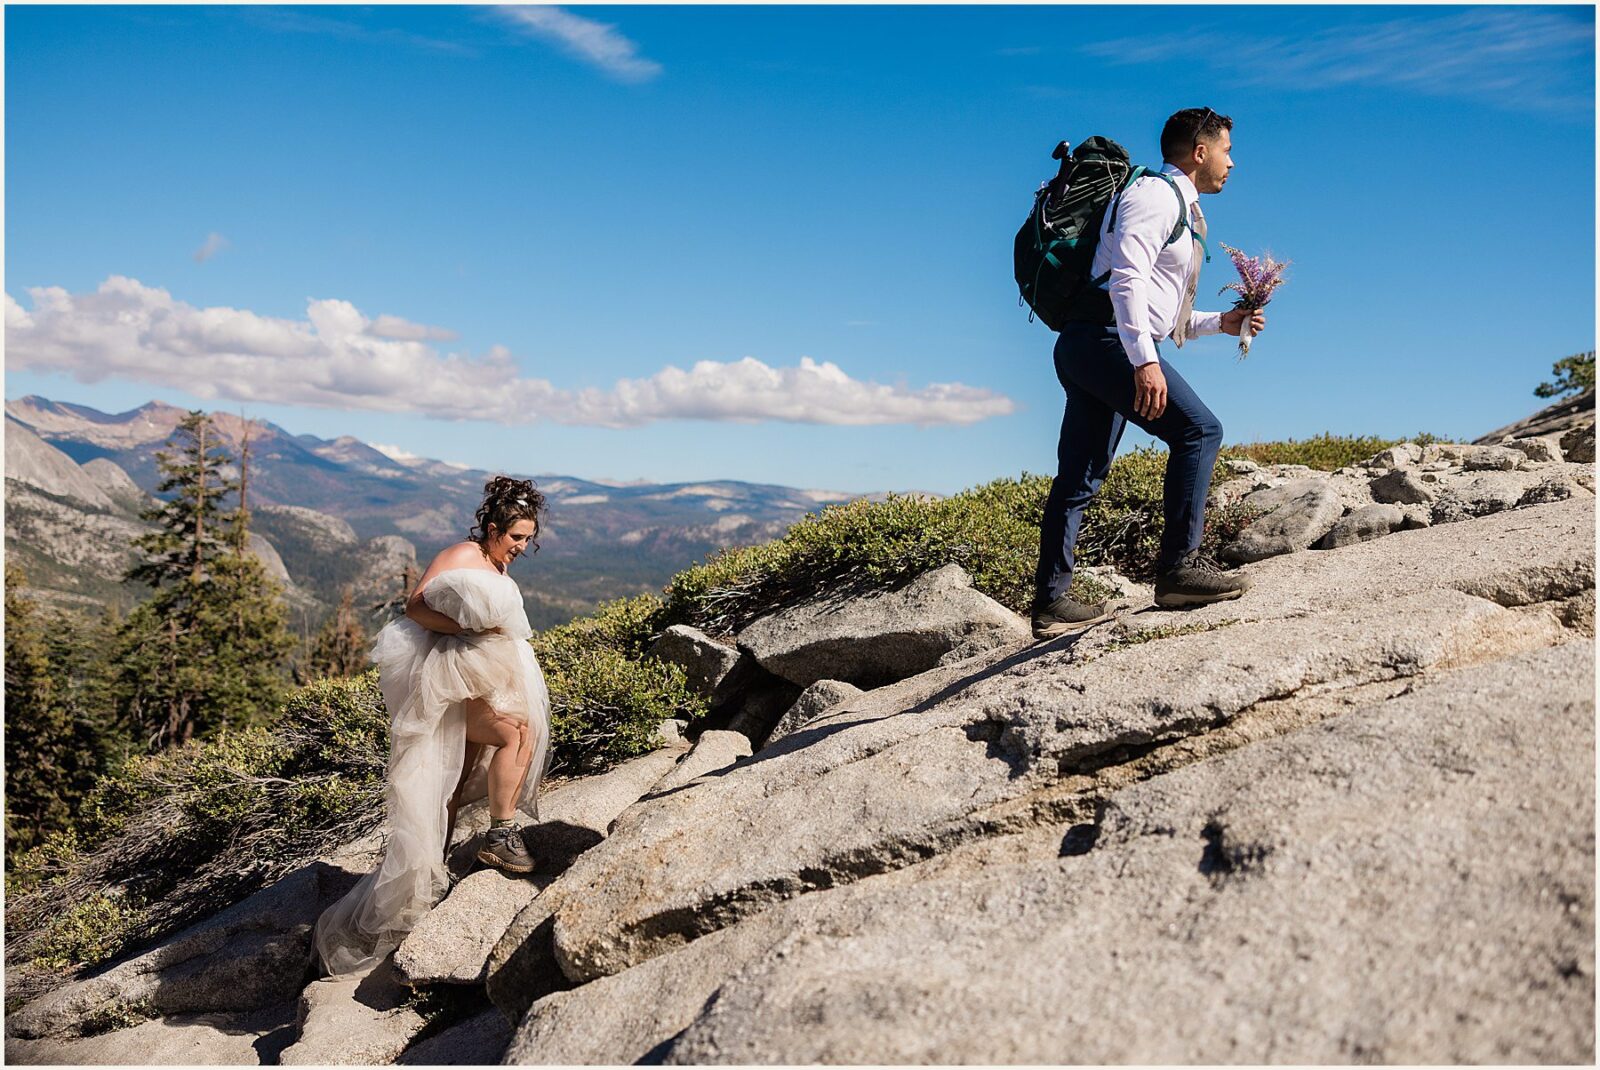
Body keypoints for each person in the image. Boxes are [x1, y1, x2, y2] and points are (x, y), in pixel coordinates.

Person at [1031, 107, 1267, 640]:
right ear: (1200, 152)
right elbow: (1128, 281)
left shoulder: (1179, 207)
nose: (1232, 162)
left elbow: (1160, 310)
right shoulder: (1156, 196)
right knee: (1199, 431)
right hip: (1106, 339)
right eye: (1227, 150)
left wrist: (1221, 322)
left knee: (1080, 475)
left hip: (1094, 341)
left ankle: (1050, 602)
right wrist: (1144, 361)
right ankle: (1179, 569)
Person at [314, 475, 553, 976]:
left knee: (455, 779)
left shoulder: (495, 563)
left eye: (527, 539)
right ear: (492, 529)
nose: (521, 547)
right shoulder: (461, 554)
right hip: (454, 680)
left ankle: (430, 877)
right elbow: (417, 606)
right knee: (516, 733)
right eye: (515, 537)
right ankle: (500, 836)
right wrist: (467, 628)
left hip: (485, 676)